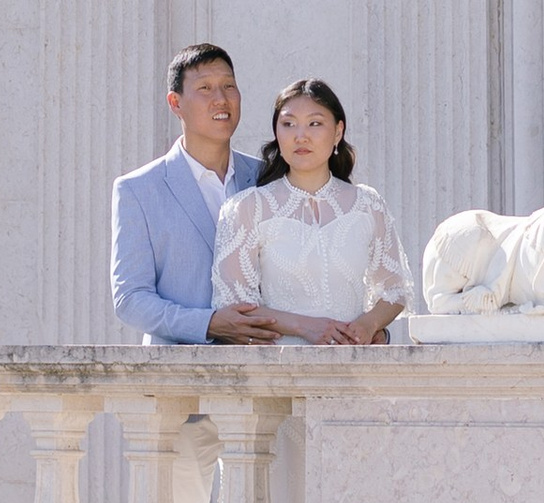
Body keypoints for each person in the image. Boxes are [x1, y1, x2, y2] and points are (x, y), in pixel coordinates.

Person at [210, 80, 409, 346]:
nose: (300, 136)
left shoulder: (368, 205)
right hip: (278, 371)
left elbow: (395, 289)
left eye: (315, 123)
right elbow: (235, 306)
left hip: (353, 368)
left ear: (338, 132)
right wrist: (307, 328)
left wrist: (368, 324)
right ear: (277, 133)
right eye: (288, 124)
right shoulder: (246, 208)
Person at [112, 45, 281, 345]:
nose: (221, 99)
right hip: (178, 378)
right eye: (205, 88)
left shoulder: (267, 178)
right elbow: (130, 299)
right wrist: (208, 324)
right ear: (175, 103)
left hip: (263, 373)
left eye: (229, 86)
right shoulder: (138, 190)